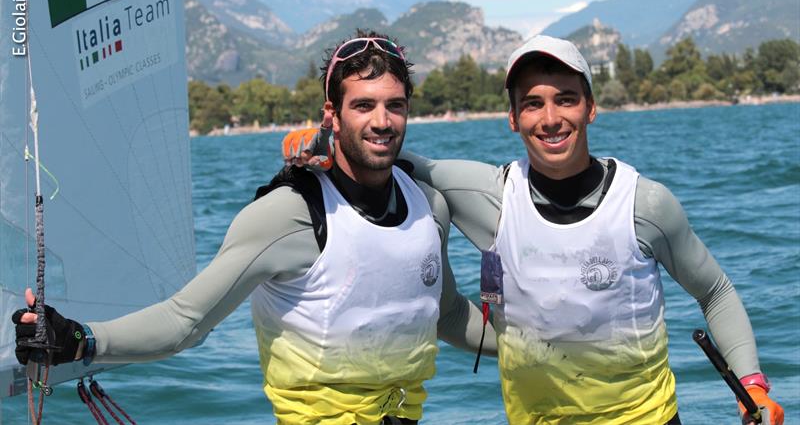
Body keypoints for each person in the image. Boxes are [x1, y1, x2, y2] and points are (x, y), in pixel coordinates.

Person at [282, 35, 785, 425]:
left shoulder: (644, 203)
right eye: (532, 103)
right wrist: (320, 140)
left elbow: (714, 291)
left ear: (590, 107)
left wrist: (753, 383)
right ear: (513, 118)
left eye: (566, 99)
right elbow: (389, 156)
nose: (550, 118)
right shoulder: (490, 198)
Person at [12, 30, 494, 425]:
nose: (382, 121)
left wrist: (554, 345)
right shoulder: (288, 214)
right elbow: (186, 321)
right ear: (332, 113)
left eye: (395, 106)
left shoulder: (427, 205)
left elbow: (447, 315)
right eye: (363, 106)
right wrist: (81, 339)